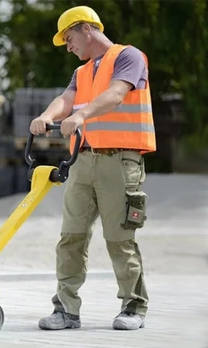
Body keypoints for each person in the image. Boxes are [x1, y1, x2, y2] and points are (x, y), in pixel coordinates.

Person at [29, 5, 156, 331]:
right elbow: (66, 100)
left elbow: (116, 94)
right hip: (83, 160)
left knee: (119, 239)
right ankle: (66, 311)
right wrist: (47, 116)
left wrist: (82, 117)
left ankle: (133, 307)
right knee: (70, 237)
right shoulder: (82, 72)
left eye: (69, 38)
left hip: (120, 161)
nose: (68, 46)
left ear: (86, 28)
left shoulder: (129, 57)